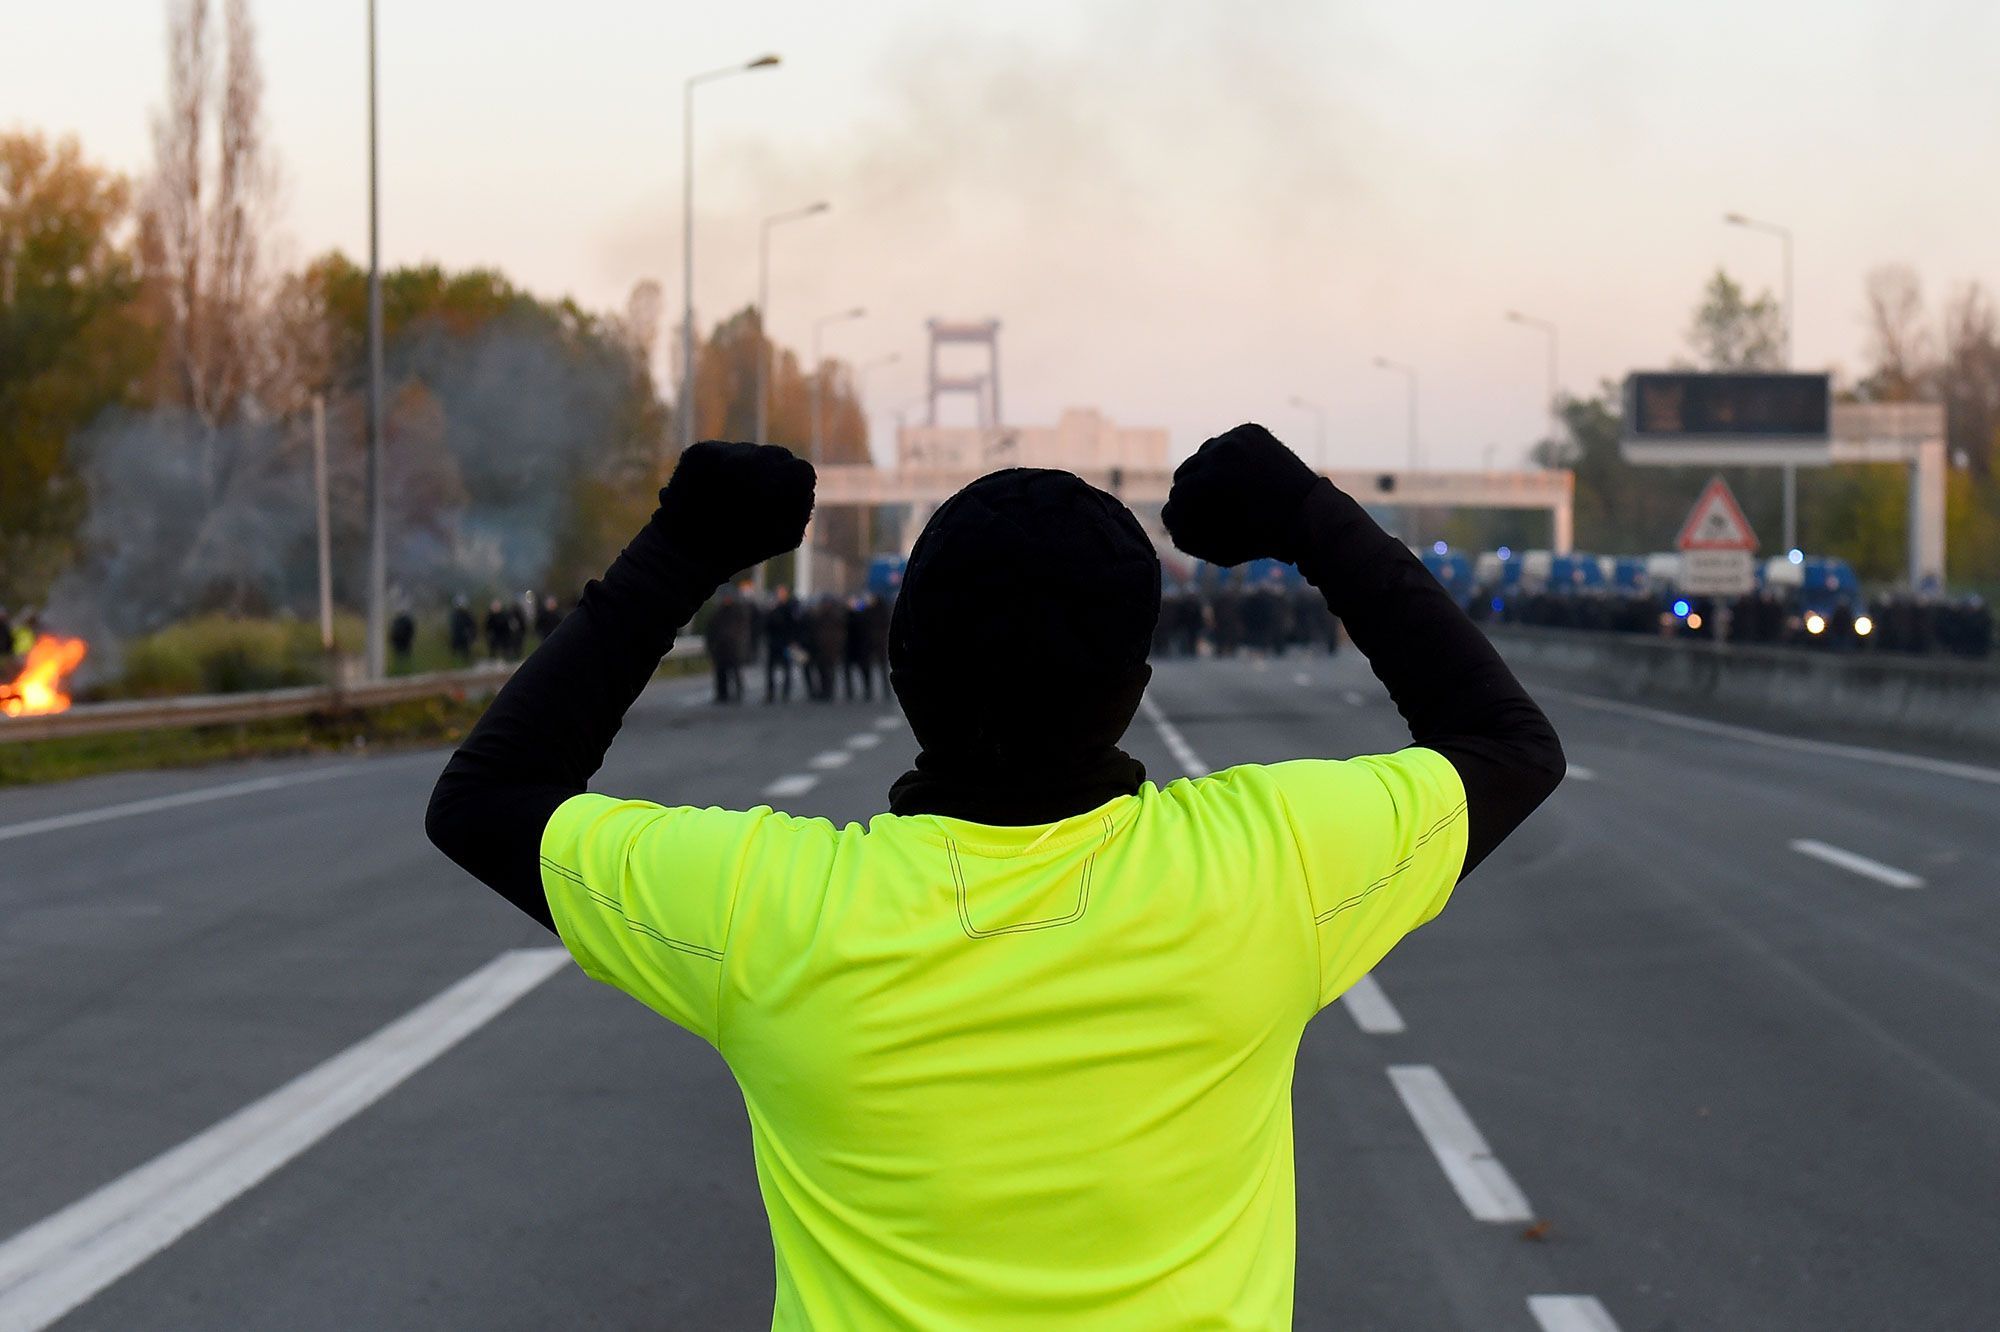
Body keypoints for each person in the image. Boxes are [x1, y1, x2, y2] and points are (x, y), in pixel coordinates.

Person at [426, 429, 1562, 1331]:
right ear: (1134, 685)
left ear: (899, 666)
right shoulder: (1263, 871)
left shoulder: (772, 908)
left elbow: (487, 800)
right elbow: (1505, 745)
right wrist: (1311, 520)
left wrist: (680, 551)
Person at [705, 585, 752, 704]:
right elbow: (711, 631)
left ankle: (738, 692)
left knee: (735, 672)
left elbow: (742, 629)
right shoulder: (717, 614)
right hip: (721, 648)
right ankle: (722, 694)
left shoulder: (737, 612)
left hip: (733, 647)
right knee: (721, 673)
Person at [762, 584, 799, 703]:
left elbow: (793, 626)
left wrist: (793, 641)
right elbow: (766, 625)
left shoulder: (789, 608)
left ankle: (785, 693)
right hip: (774, 643)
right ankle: (770, 693)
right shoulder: (772, 609)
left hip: (785, 643)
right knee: (770, 669)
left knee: (787, 668)